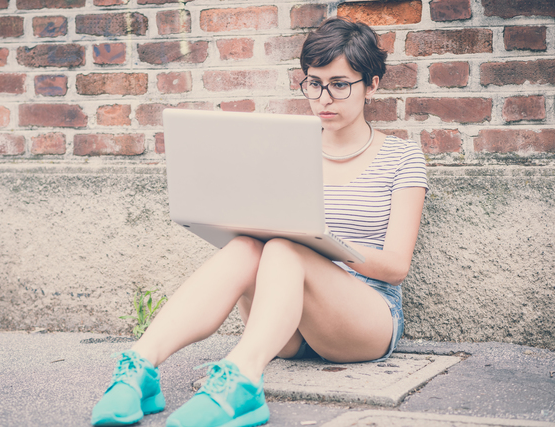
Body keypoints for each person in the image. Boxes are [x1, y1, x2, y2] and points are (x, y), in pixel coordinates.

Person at [90, 17, 428, 427]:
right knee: (246, 246)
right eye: (313, 82)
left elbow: (396, 266)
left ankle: (242, 379)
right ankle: (140, 366)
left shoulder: (402, 158)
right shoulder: (286, 149)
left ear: (371, 85)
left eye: (340, 84)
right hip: (287, 323)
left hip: (365, 318)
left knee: (288, 247)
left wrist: (321, 243)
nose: (324, 98)